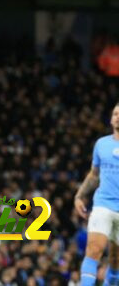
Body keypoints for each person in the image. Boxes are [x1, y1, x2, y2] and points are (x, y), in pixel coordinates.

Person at [75, 103, 119, 286]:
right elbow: (94, 175)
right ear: (111, 119)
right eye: (116, 113)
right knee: (94, 249)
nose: (118, 116)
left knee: (115, 259)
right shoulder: (101, 144)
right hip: (102, 205)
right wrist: (79, 195)